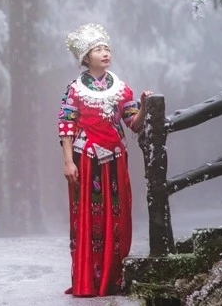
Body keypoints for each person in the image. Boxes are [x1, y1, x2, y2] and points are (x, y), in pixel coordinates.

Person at [56, 22, 152, 297]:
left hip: (115, 158)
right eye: (98, 49)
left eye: (107, 48)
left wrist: (144, 106)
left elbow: (133, 124)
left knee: (118, 214)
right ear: (85, 58)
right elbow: (66, 126)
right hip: (85, 159)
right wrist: (67, 162)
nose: (105, 52)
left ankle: (113, 277)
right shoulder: (74, 89)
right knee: (88, 216)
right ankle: (88, 279)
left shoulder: (122, 88)